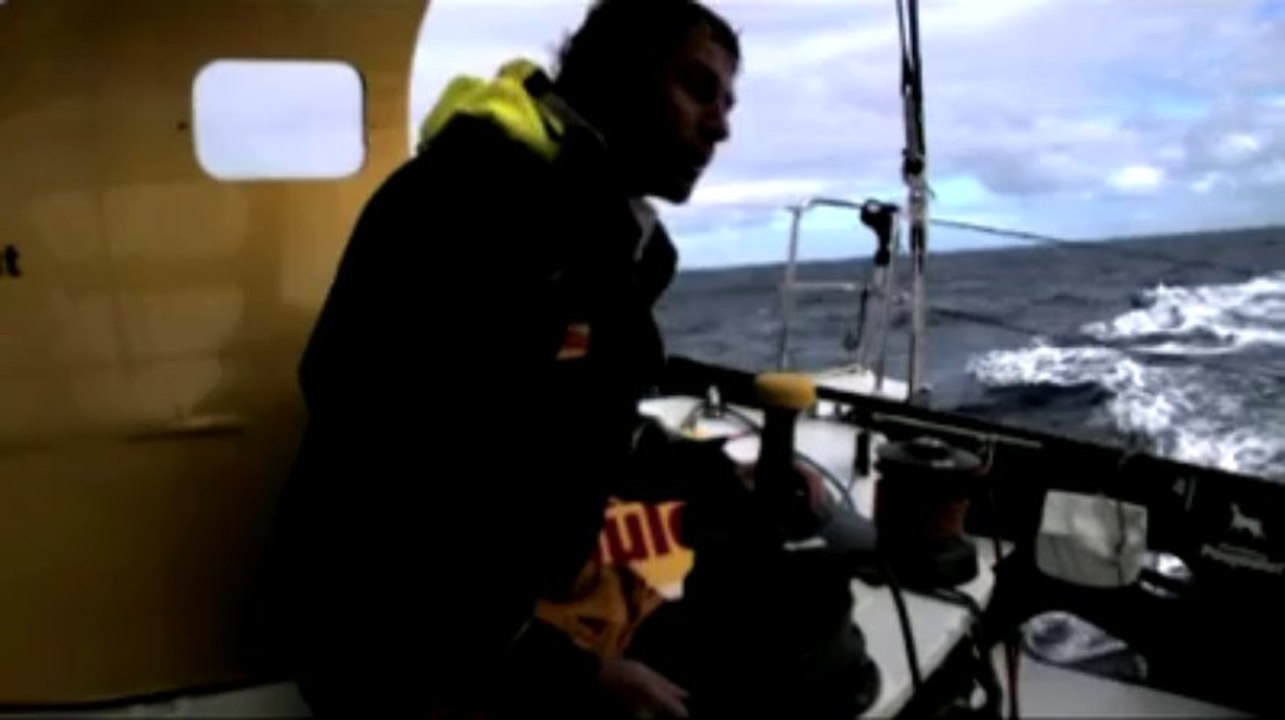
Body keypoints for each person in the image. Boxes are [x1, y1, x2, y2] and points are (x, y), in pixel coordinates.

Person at [257, 1, 743, 717]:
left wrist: (722, 477)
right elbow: (385, 480)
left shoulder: (604, 235)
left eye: (727, 102)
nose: (720, 125)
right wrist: (553, 668)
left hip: (490, 621)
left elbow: (576, 429)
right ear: (617, 72)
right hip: (391, 647)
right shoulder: (470, 204)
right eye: (698, 89)